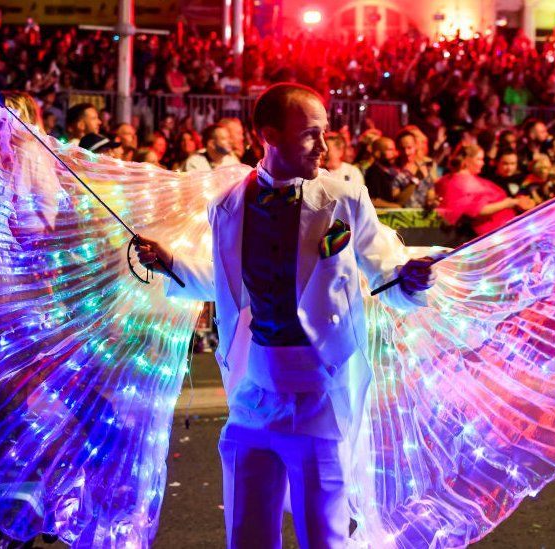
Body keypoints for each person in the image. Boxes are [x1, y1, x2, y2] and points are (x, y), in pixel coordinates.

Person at [133, 83, 435, 548]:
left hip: (320, 393)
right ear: (268, 136)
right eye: (311, 135)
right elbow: (225, 280)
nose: (325, 146)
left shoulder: (344, 198)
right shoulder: (228, 206)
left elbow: (382, 270)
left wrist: (409, 281)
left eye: (325, 134)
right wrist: (169, 263)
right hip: (253, 393)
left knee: (324, 533)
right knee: (247, 534)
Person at [435, 144, 533, 236]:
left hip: (501, 231)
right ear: (467, 160)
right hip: (490, 235)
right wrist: (509, 203)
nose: (483, 163)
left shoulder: (469, 178)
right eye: (479, 159)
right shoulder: (463, 180)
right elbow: (477, 209)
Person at [363, 137, 404, 208]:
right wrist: (395, 206)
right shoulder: (374, 172)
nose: (395, 153)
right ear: (377, 153)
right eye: (390, 150)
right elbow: (373, 200)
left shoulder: (390, 171)